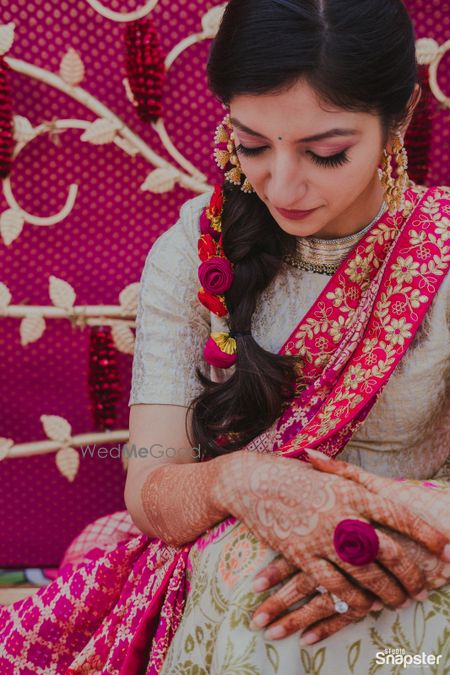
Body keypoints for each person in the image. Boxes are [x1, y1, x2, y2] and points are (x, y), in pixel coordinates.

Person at [1, 0, 449, 673]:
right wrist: (244, 480)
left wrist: (431, 539)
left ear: (403, 118)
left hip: (431, 560)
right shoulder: (193, 250)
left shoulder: (437, 254)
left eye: (327, 152)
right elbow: (151, 487)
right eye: (252, 144)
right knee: (262, 602)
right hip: (242, 567)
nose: (284, 184)